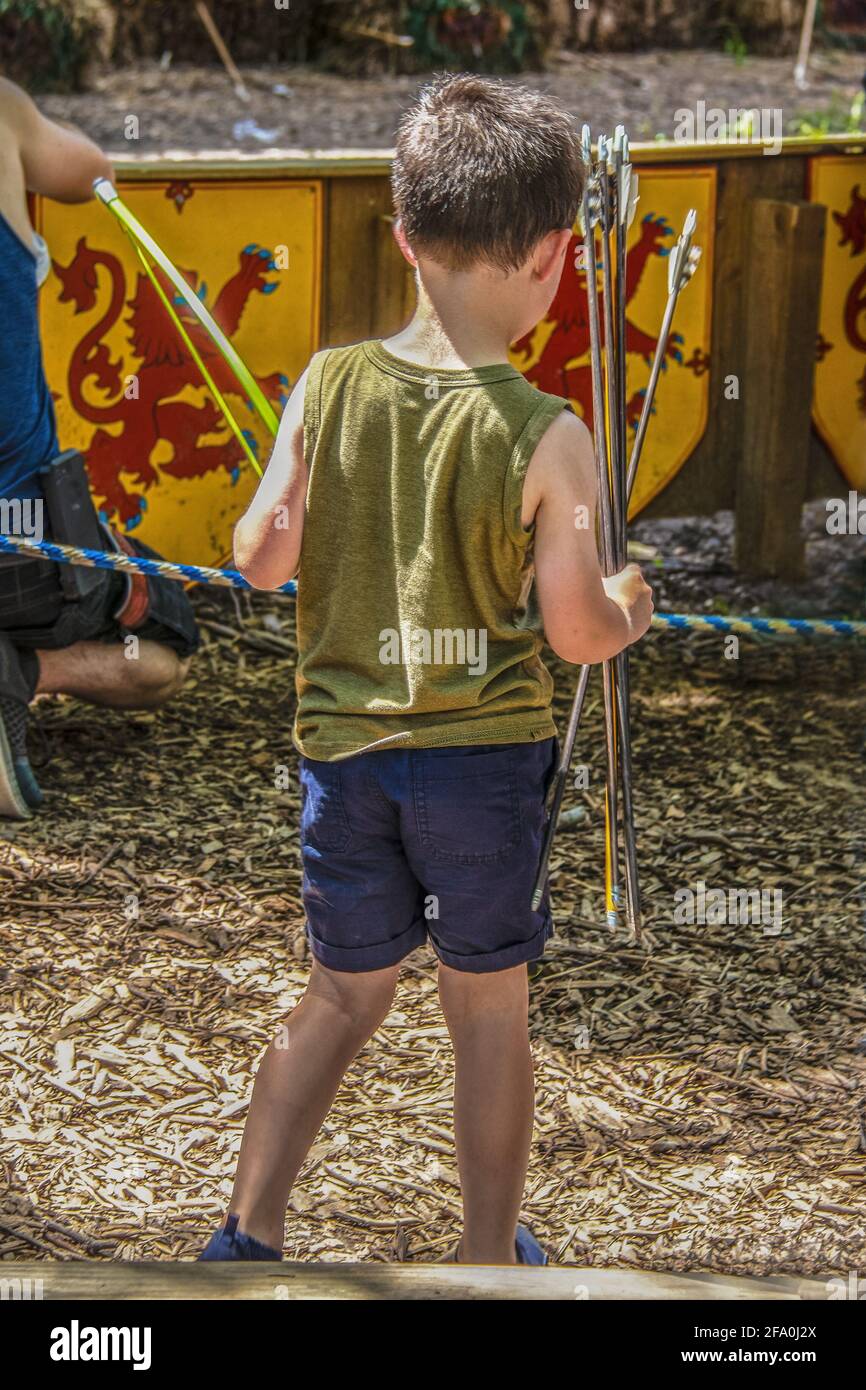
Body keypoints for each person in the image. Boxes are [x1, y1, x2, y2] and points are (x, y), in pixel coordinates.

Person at [200, 74, 653, 1266]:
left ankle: (247, 1233)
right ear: (558, 259)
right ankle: (488, 1257)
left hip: (345, 770)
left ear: (401, 236)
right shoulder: (550, 434)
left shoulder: (328, 380)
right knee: (485, 1015)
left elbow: (257, 557)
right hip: (480, 773)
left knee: (340, 995)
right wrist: (628, 603)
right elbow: (572, 633)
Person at [0, 78, 198, 819]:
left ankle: (10, 669)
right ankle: (20, 670)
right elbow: (92, 174)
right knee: (167, 642)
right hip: (24, 548)